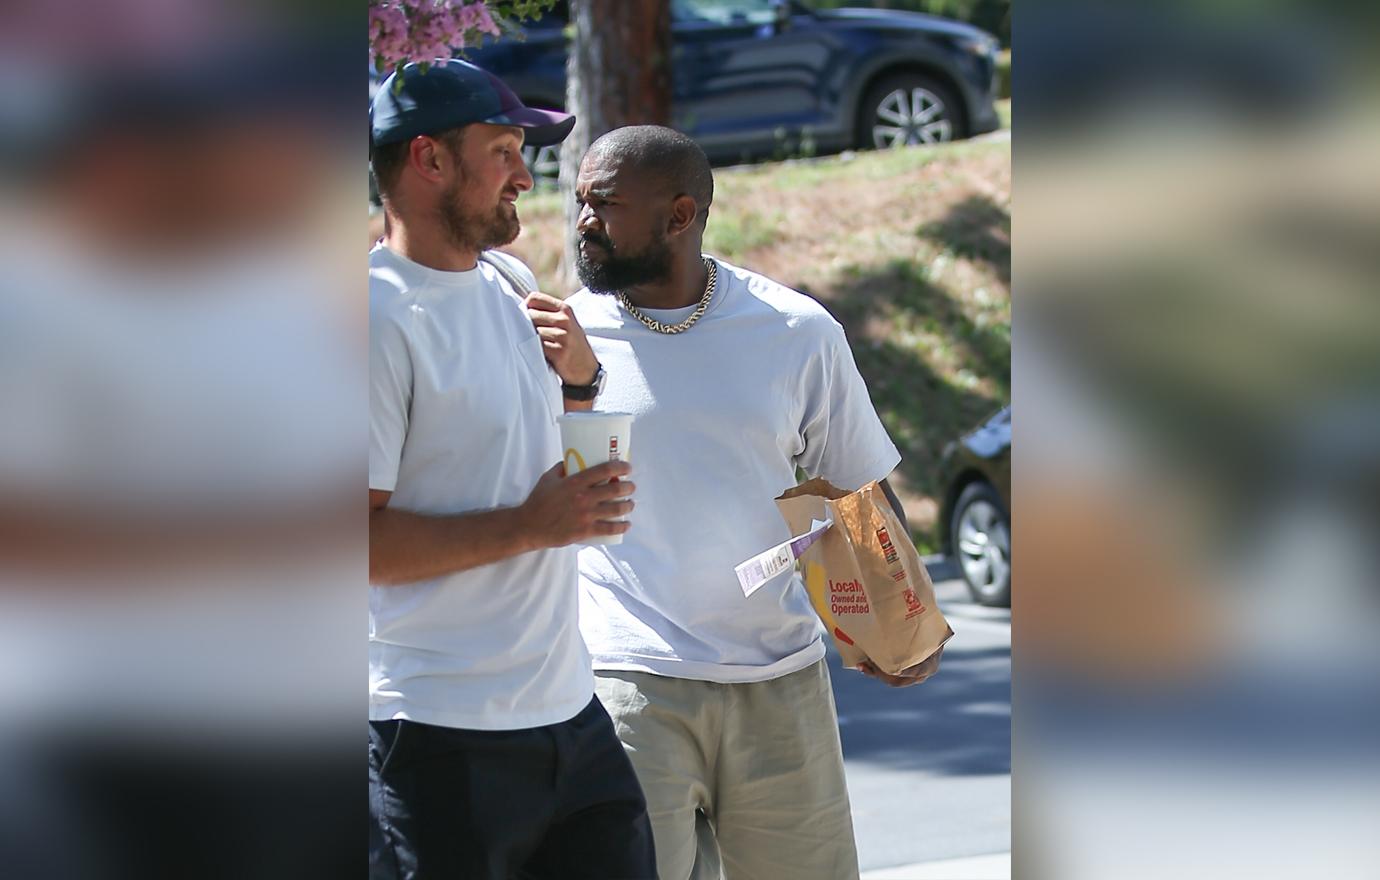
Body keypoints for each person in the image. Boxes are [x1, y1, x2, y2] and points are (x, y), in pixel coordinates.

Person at [566, 124, 945, 880]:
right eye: (578, 202)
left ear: (679, 216)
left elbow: (857, 487)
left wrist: (903, 623)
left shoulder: (793, 331)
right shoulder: (563, 339)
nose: (582, 223)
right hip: (624, 678)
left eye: (603, 204)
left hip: (779, 677)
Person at [367, 61, 655, 880]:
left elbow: (506, 449)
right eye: (502, 150)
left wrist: (580, 385)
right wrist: (535, 526)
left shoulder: (510, 282)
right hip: (435, 731)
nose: (527, 176)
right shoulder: (373, 320)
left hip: (570, 713)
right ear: (428, 160)